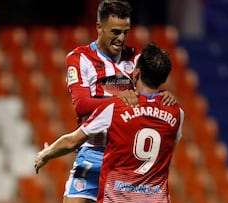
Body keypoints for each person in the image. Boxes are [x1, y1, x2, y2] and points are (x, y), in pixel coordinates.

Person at [35, 44, 184, 203]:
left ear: (136, 73)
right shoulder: (177, 113)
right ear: (164, 79)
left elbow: (72, 141)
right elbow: (168, 150)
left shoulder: (116, 108)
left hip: (118, 196)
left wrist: (45, 155)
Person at [64, 1, 176, 202]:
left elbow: (149, 95)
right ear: (99, 27)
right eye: (115, 32)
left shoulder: (137, 58)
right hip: (92, 152)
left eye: (126, 32)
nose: (121, 38)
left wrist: (164, 96)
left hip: (124, 160)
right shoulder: (80, 58)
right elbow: (81, 105)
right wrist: (117, 100)